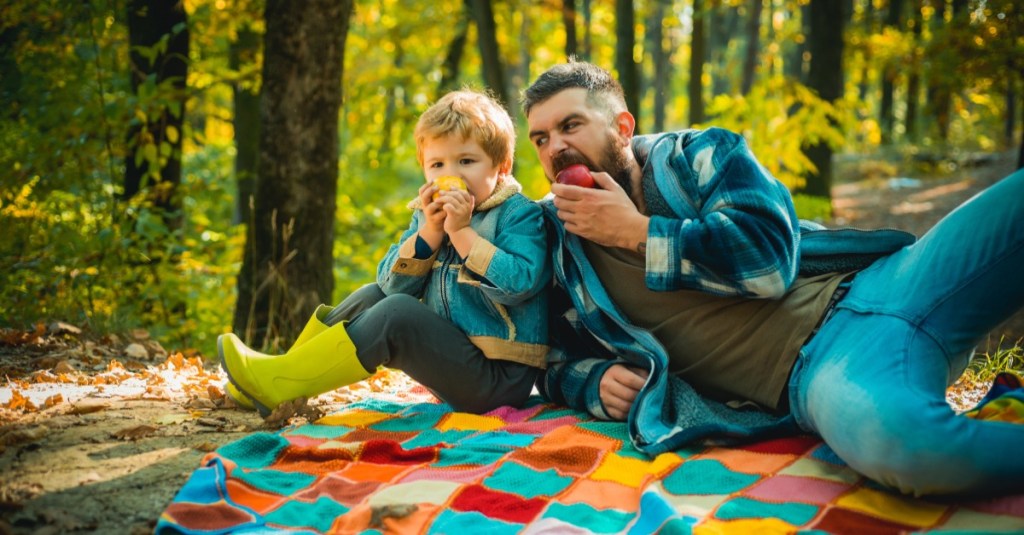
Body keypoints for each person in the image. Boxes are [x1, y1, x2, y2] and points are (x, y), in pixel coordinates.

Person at [523, 60, 1024, 497]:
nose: (556, 149)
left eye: (571, 125)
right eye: (541, 139)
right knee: (912, 452)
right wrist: (593, 382)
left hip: (890, 283)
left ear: (623, 126)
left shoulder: (697, 156)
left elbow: (768, 261)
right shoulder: (555, 247)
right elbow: (539, 356)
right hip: (825, 373)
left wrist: (639, 233)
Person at [219, 89, 550, 417]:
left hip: (498, 381)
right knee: (372, 294)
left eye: (466, 161)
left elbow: (519, 283)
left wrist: (462, 235)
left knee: (399, 315)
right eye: (437, 164)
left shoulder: (518, 215)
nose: (451, 176)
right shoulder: (428, 217)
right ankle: (279, 376)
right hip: (452, 363)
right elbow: (392, 286)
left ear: (502, 166)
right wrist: (429, 236)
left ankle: (279, 381)